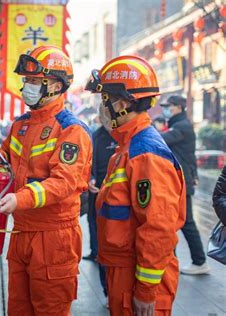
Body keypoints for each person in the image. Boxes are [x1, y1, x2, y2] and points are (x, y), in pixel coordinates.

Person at [0, 45, 92, 315]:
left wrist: (20, 198)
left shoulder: (72, 130)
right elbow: (6, 157)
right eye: (26, 81)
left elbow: (63, 183)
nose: (27, 87)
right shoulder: (20, 125)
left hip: (53, 237)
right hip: (21, 232)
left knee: (50, 310)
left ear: (55, 85)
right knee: (18, 308)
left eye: (34, 81)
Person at [85, 55, 186, 316]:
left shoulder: (145, 153)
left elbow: (158, 227)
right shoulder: (128, 147)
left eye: (104, 99)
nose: (101, 107)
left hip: (138, 280)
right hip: (123, 272)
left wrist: (145, 290)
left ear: (123, 103)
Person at [160, 95, 209, 275]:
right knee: (179, 221)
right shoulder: (179, 124)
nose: (167, 109)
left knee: (186, 222)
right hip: (180, 179)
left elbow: (160, 139)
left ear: (179, 107)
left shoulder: (181, 126)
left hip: (181, 180)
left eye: (169, 106)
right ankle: (196, 260)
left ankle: (199, 261)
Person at [84, 123, 117, 302]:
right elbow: (89, 160)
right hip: (97, 189)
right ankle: (95, 251)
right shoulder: (95, 135)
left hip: (117, 193)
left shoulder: (127, 136)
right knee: (94, 222)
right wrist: (90, 178)